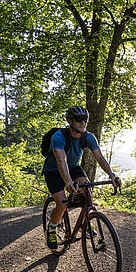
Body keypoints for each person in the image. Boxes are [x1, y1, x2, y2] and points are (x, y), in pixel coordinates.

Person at [42, 106, 121, 251]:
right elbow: (61, 160)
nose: (83, 123)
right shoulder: (58, 137)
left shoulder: (88, 137)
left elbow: (99, 157)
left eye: (85, 119)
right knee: (63, 203)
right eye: (79, 120)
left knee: (87, 190)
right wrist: (67, 182)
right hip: (53, 170)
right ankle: (52, 229)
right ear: (69, 121)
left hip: (73, 168)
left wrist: (112, 175)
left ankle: (85, 223)